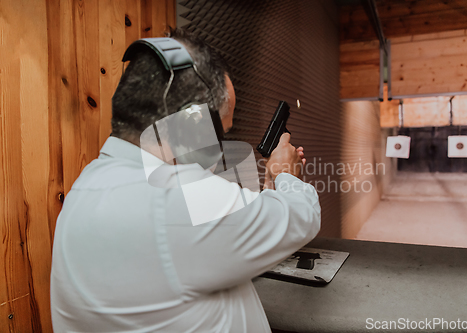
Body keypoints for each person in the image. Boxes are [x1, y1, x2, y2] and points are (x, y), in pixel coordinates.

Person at [50, 29, 321, 333]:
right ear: (190, 124)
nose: (220, 146)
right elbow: (301, 217)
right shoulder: (177, 197)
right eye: (221, 132)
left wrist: (271, 184)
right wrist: (285, 173)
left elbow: (220, 241)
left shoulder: (86, 186)